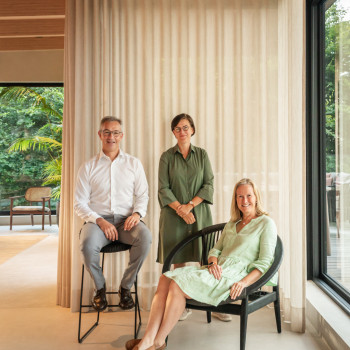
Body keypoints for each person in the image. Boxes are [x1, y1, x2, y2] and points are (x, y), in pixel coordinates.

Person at [125, 178, 277, 350]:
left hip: (236, 275)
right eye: (240, 197)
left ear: (256, 197)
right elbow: (215, 251)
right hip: (216, 270)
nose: (245, 201)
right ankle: (147, 340)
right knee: (165, 279)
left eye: (248, 196)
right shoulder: (232, 224)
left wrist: (243, 282)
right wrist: (213, 263)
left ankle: (158, 342)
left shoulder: (266, 223)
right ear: (235, 199)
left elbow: (264, 263)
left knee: (177, 286)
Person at [74, 116, 152, 311]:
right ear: (100, 135)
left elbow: (143, 195)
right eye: (107, 132)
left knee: (145, 237)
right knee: (86, 244)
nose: (111, 137)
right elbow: (79, 203)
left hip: (127, 222)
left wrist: (137, 214)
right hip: (97, 223)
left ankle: (125, 288)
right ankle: (100, 289)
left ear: (122, 136)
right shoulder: (88, 167)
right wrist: (100, 221)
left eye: (116, 132)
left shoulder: (134, 164)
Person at [157, 113, 215, 320]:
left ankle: (213, 304)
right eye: (178, 129)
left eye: (186, 127)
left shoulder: (202, 155)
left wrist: (190, 206)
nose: (182, 132)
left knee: (206, 259)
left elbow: (209, 184)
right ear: (173, 132)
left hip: (199, 213)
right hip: (173, 216)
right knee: (177, 261)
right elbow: (163, 189)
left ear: (192, 129)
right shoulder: (166, 156)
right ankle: (180, 305)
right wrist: (180, 209)